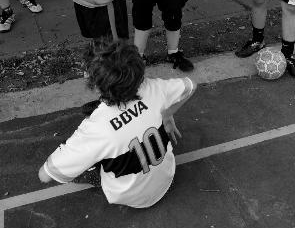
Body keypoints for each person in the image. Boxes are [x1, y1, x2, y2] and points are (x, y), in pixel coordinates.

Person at [38, 40, 195, 208]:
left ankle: (92, 174)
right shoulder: (155, 88)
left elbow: (45, 175)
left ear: (97, 86)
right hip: (167, 180)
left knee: (89, 159)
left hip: (130, 198)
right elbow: (190, 86)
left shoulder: (95, 129)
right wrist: (167, 115)